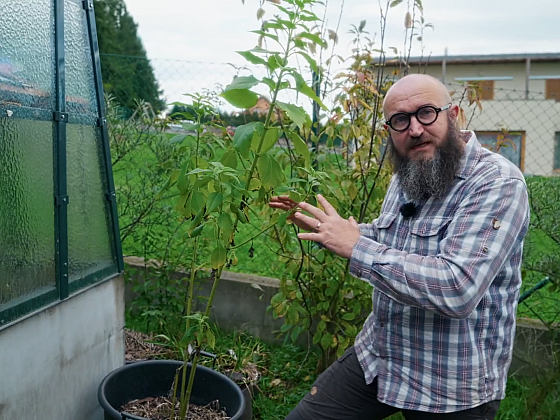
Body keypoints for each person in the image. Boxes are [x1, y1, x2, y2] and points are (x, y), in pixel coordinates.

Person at [269, 74, 530, 420]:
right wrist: (330, 231)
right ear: (389, 130)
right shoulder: (408, 173)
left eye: (426, 113)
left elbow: (458, 288)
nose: (415, 129)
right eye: (400, 120)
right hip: (382, 355)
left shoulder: (496, 183)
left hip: (451, 384)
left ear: (453, 115)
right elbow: (387, 236)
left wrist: (357, 247)